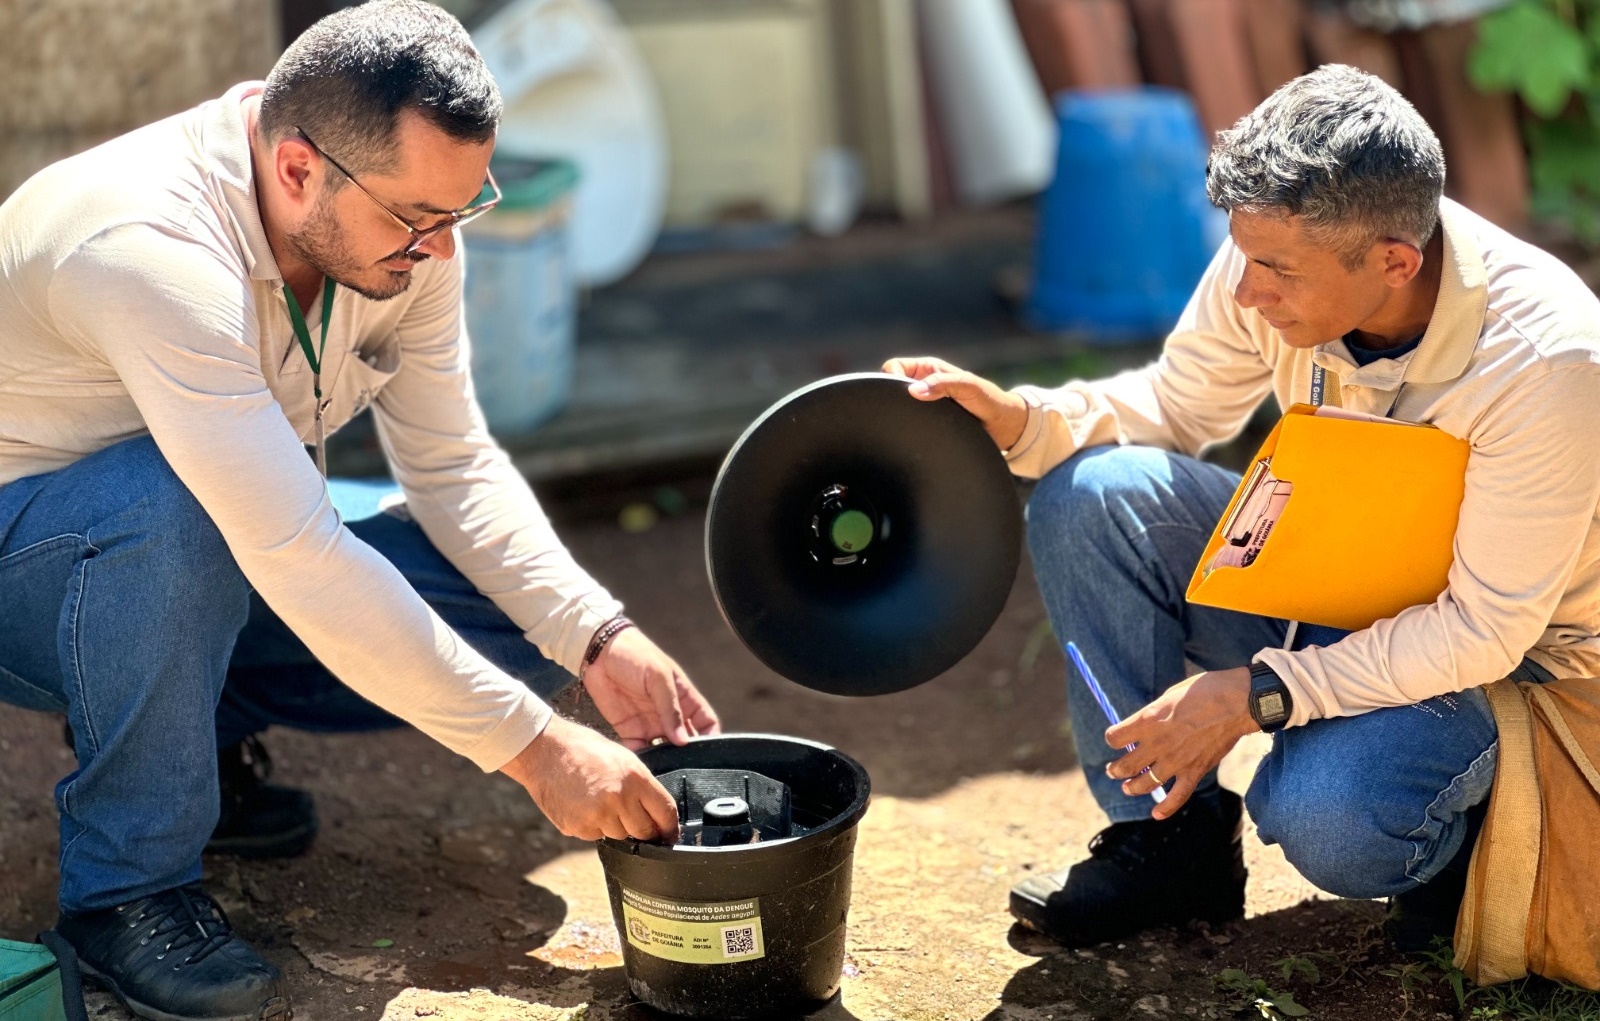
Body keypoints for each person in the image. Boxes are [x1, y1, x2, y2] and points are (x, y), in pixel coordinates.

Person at [0, 3, 720, 1018]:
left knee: (507, 609)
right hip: (30, 562)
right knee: (181, 505)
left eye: (460, 212)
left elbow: (455, 467)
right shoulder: (149, 246)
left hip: (202, 538)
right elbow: (294, 547)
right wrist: (539, 750)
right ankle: (127, 888)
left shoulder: (404, 228)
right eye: (416, 219)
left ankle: (187, 737)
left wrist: (598, 633)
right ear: (297, 170)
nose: (437, 249)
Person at [886, 64, 1600, 952]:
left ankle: (1461, 845)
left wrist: (1258, 692)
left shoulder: (1547, 362)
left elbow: (1486, 627)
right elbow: (1179, 407)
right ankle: (1169, 843)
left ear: (1394, 262)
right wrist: (1024, 418)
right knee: (1095, 496)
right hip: (1338, 583)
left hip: (1507, 663)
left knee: (1330, 814)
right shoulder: (1276, 249)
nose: (1246, 291)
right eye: (1244, 254)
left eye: (1275, 271)